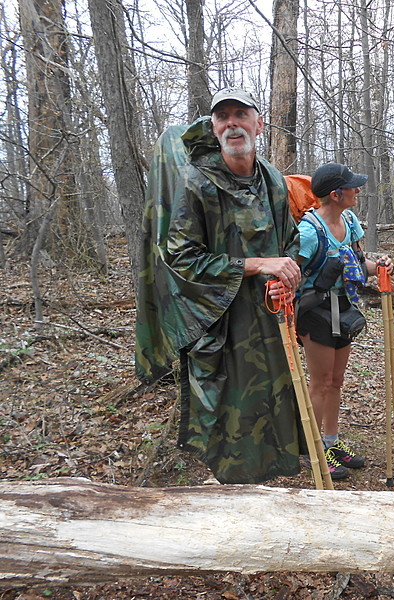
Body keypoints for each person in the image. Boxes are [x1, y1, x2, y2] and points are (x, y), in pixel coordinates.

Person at [135, 88, 303, 485]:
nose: (232, 124)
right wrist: (256, 264)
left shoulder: (274, 182)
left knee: (271, 409)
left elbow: (290, 243)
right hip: (220, 323)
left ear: (258, 124)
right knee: (228, 417)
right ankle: (228, 495)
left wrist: (287, 278)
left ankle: (264, 489)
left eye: (241, 115)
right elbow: (179, 256)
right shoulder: (198, 184)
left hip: (268, 322)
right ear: (213, 128)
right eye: (222, 117)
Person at [295, 162, 394, 480]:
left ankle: (331, 442)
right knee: (321, 382)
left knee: (336, 381)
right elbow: (292, 272)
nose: (358, 190)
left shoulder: (349, 221)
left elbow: (358, 260)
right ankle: (312, 451)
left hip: (344, 308)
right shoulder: (309, 232)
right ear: (336, 194)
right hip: (315, 312)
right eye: (352, 186)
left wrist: (379, 264)